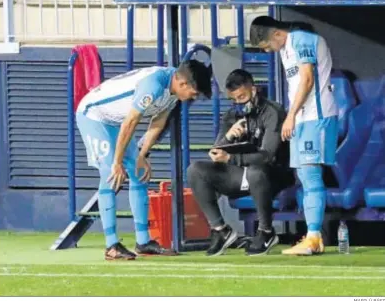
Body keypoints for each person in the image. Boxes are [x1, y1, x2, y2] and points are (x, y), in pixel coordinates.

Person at [76, 60, 212, 260]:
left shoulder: (173, 90)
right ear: (183, 84)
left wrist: (141, 156)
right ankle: (111, 245)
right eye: (195, 92)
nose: (195, 97)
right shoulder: (154, 86)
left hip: (116, 122)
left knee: (139, 173)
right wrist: (117, 162)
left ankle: (143, 242)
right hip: (94, 115)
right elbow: (131, 121)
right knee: (110, 175)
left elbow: (158, 121)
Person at [249, 16, 338, 255]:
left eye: (266, 45)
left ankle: (313, 237)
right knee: (304, 175)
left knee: (310, 173)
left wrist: (290, 116)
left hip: (316, 117)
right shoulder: (284, 50)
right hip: (301, 119)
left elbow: (308, 80)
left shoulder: (303, 40)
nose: (266, 51)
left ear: (276, 34)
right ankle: (313, 237)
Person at [187, 69, 293, 257]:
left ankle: (266, 231)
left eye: (242, 96)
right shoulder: (232, 115)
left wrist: (231, 158)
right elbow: (215, 151)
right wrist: (228, 137)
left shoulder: (272, 112)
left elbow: (268, 155)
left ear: (253, 89)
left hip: (273, 175)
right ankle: (221, 230)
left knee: (255, 171)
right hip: (240, 174)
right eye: (234, 99)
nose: (239, 102)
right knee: (195, 170)